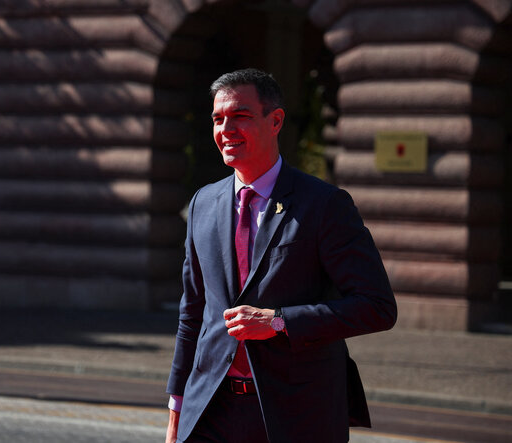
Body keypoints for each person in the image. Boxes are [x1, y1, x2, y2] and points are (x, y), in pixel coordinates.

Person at [165, 69, 397, 443]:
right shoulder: (202, 203)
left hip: (294, 415)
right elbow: (193, 313)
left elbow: (377, 307)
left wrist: (278, 322)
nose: (226, 129)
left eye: (240, 116)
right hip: (210, 411)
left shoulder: (324, 205)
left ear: (275, 121)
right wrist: (177, 406)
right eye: (217, 119)